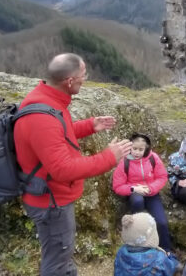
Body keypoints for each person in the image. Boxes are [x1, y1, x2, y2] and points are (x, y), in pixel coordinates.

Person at [15, 53, 132, 276]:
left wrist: (89, 126)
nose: (85, 79)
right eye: (83, 75)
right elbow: (62, 169)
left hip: (51, 197)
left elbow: (58, 135)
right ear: (69, 81)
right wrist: (110, 156)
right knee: (57, 261)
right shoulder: (43, 116)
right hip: (51, 202)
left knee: (62, 253)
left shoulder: (49, 99)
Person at [112, 132, 173, 253]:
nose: (137, 152)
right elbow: (117, 186)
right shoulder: (125, 161)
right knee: (137, 200)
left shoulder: (153, 158)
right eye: (134, 148)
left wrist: (151, 188)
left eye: (140, 149)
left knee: (161, 222)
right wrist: (134, 189)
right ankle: (139, 229)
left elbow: (162, 177)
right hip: (135, 193)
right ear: (130, 147)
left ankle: (166, 250)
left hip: (152, 193)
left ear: (146, 149)